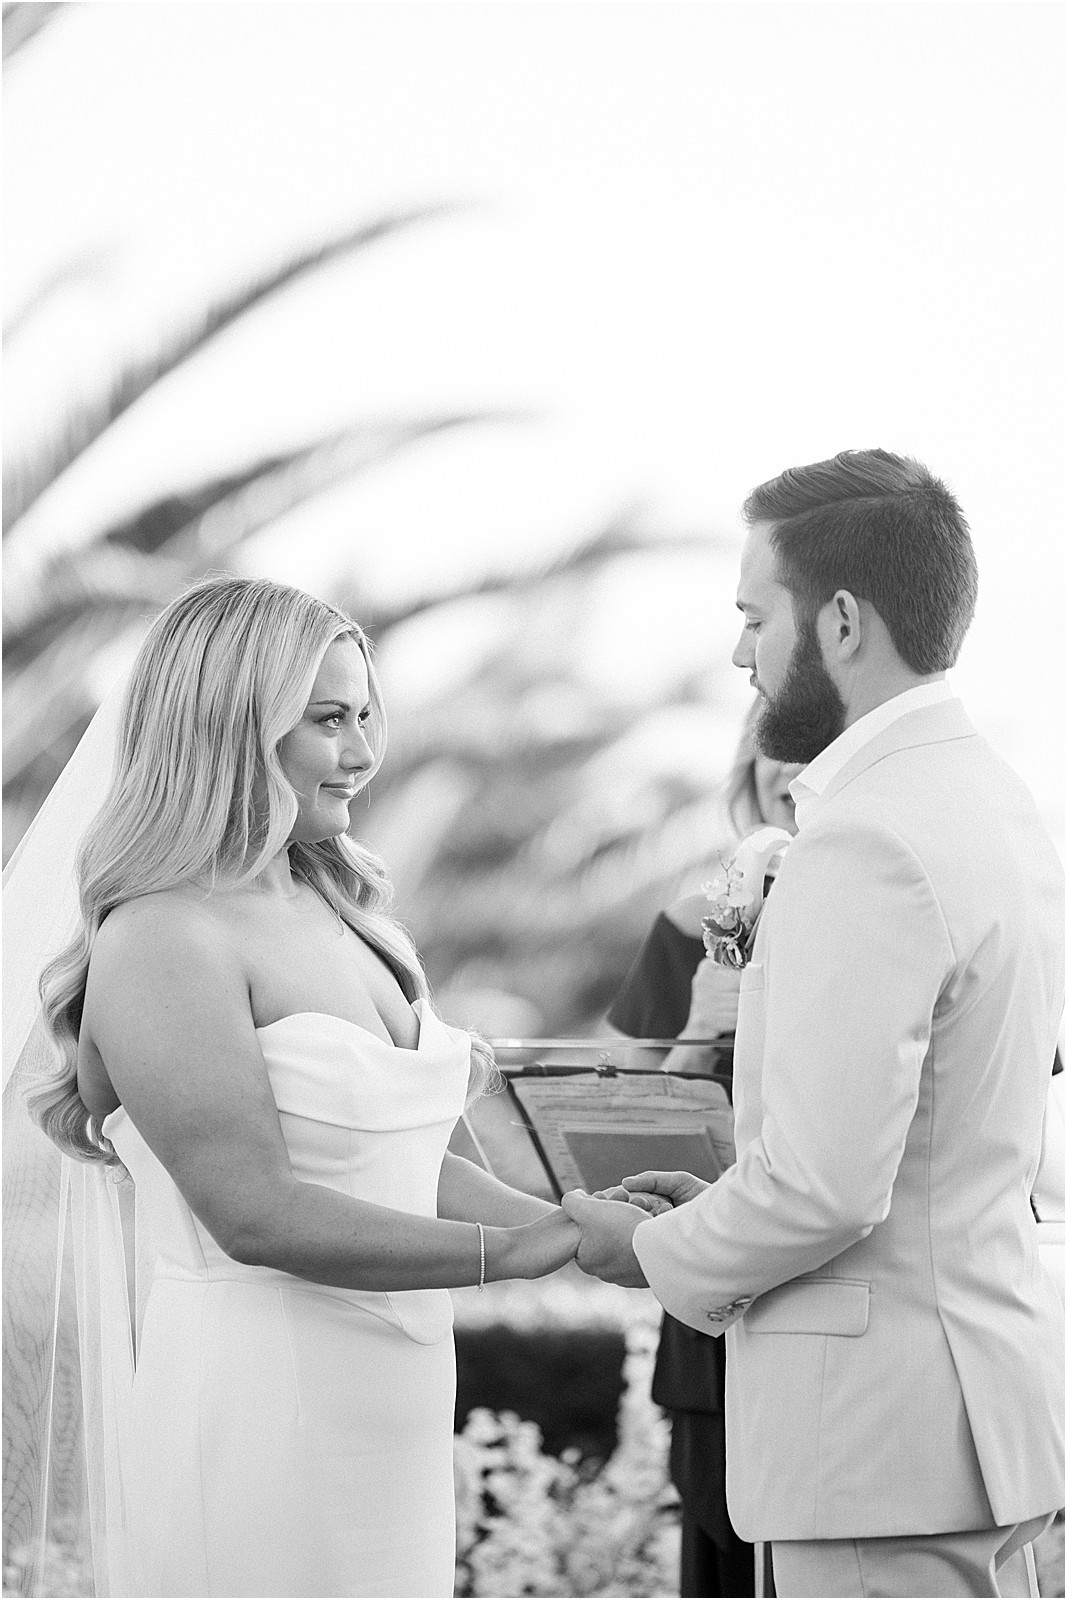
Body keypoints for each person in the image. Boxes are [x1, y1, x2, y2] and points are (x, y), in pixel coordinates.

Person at [8, 576, 579, 1599]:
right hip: (259, 1407)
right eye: (326, 720)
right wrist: (516, 1254)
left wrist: (577, 1225)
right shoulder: (163, 935)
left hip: (391, 1406)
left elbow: (420, 1160)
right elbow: (254, 1212)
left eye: (364, 714)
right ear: (230, 726)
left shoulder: (347, 908)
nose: (363, 752)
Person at [563, 450, 1064, 1598]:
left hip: (875, 1447)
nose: (740, 653)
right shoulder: (989, 802)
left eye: (753, 616)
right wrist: (724, 1198)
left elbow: (828, 1186)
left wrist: (643, 1247)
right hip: (965, 1418)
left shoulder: (864, 837)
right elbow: (922, 1144)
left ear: (839, 619)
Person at [606, 706, 800, 1598]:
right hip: (711, 1275)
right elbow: (615, 1132)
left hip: (827, 1273)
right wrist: (694, 1033)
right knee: (720, 1536)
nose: (794, 805)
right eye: (775, 785)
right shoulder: (687, 934)